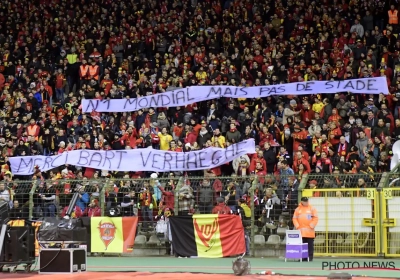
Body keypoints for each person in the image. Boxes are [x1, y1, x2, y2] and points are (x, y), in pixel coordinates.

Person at [292, 197, 319, 261]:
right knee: (302, 245)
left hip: (309, 231)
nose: (306, 202)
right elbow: (294, 218)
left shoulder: (312, 208)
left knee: (310, 245)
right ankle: (303, 257)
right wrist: (297, 226)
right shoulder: (298, 209)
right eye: (305, 201)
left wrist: (312, 225)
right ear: (302, 202)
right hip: (301, 231)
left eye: (307, 201)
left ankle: (310, 257)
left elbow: (315, 218)